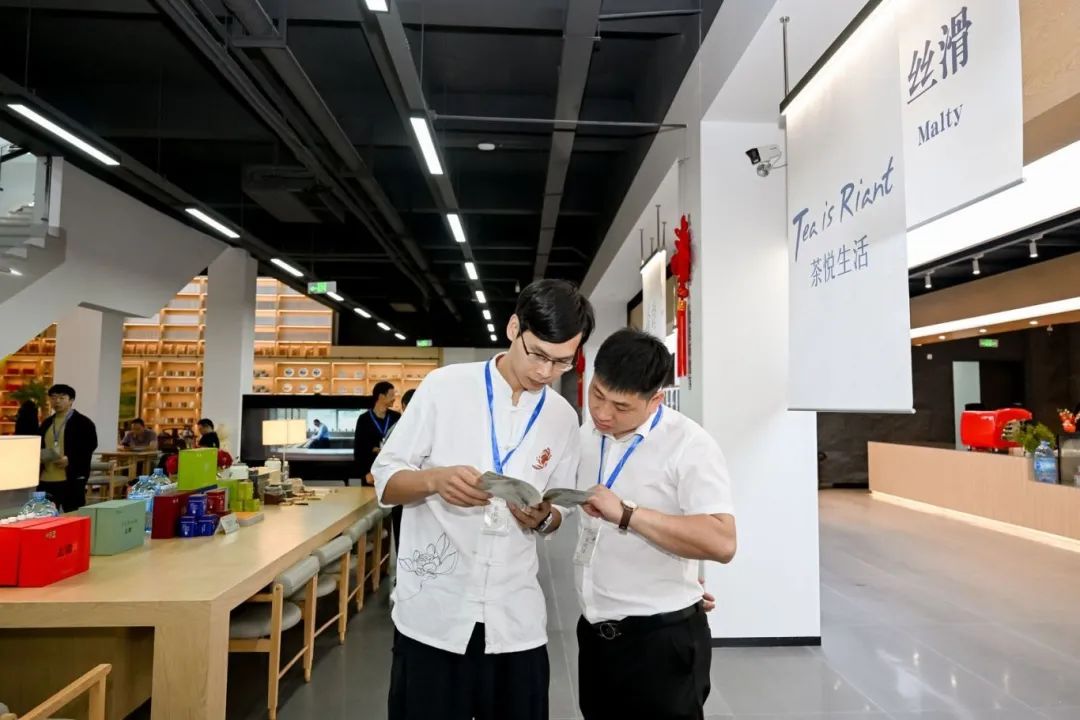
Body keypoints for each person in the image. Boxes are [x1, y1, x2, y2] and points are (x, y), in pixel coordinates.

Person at [372, 279, 594, 720]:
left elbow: (561, 510)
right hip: (435, 614)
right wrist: (433, 480)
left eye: (562, 362)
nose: (546, 372)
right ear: (513, 328)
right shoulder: (445, 387)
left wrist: (543, 517)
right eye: (538, 355)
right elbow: (385, 480)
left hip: (515, 619)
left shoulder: (562, 418)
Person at [574, 329, 737, 720]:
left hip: (660, 643)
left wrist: (627, 514)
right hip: (595, 634)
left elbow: (722, 541)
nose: (603, 413)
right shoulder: (588, 435)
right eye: (597, 394)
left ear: (655, 400)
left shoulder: (689, 444)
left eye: (621, 406)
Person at [38, 384, 99, 512]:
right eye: (53, 398)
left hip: (71, 478)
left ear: (71, 400)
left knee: (72, 514)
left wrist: (70, 459)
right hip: (46, 478)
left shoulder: (83, 422)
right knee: (44, 515)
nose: (57, 401)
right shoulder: (46, 423)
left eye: (62, 398)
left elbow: (90, 446)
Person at [382, 388, 415, 548]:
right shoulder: (397, 429)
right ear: (404, 406)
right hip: (401, 488)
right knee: (403, 538)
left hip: (417, 490)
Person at [353, 381, 400, 486]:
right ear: (381, 396)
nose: (394, 398)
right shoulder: (364, 419)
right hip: (371, 474)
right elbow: (359, 450)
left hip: (392, 473)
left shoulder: (396, 417)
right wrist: (365, 473)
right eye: (391, 395)